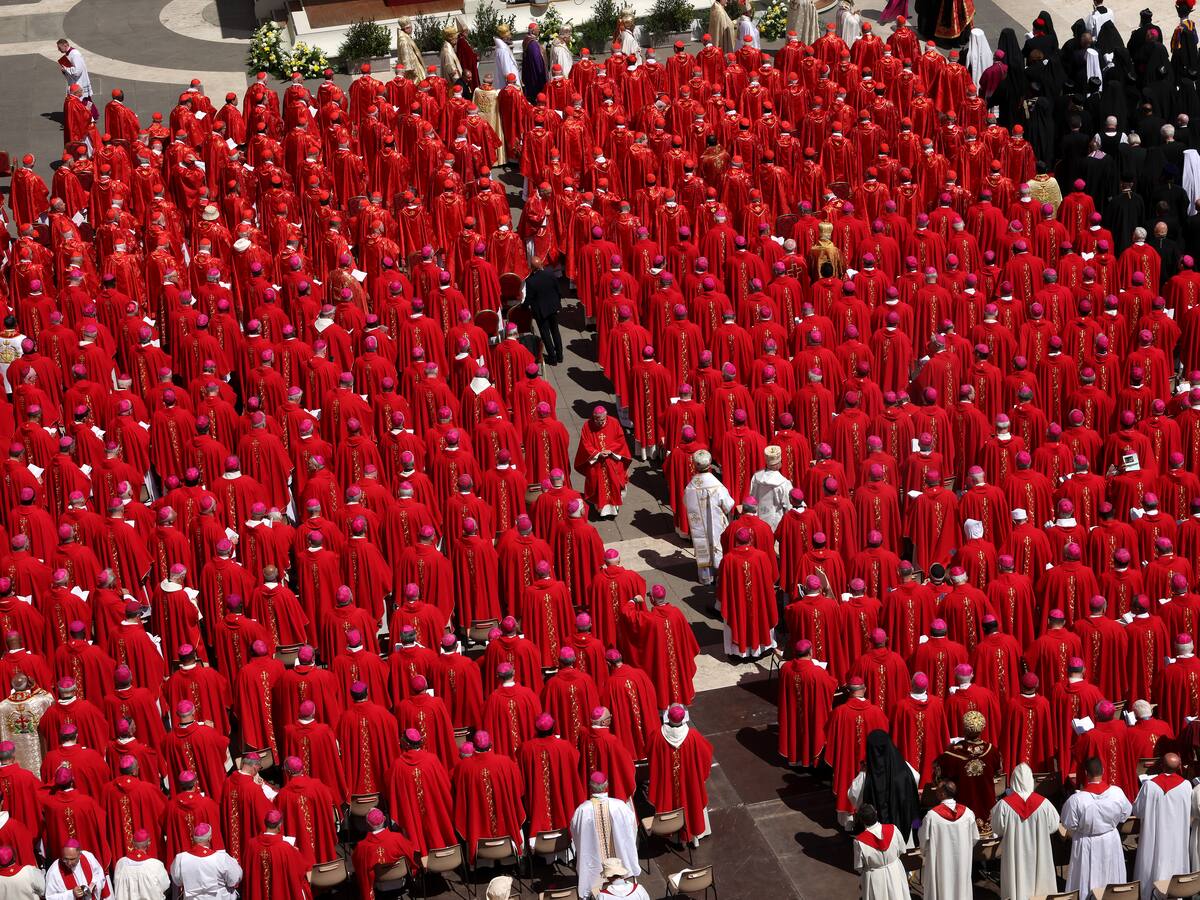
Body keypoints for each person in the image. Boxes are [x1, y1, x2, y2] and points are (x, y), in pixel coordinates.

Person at [1061, 757, 1133, 897]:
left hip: (1086, 842)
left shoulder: (1077, 800)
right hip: (1110, 840)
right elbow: (1126, 814)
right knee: (1111, 875)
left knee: (1086, 877)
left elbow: (1068, 823)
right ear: (1104, 771)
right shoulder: (1117, 793)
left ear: (1086, 773)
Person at [990, 763, 1060, 900]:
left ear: (1013, 780)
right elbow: (1053, 827)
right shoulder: (1044, 803)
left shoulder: (1004, 805)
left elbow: (997, 829)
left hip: (1014, 854)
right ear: (1030, 780)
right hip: (1040, 852)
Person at [571, 772, 641, 899]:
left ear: (590, 787)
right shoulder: (620, 805)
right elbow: (632, 826)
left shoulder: (582, 810)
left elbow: (575, 832)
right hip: (620, 859)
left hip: (594, 865)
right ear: (606, 785)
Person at [1131, 753, 1191, 900]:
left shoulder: (1149, 786)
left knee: (1152, 866)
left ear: (1161, 765)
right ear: (1178, 768)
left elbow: (1137, 811)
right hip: (1177, 839)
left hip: (1154, 839)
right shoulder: (1186, 786)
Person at [919, 780, 978, 900]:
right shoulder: (968, 813)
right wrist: (964, 848)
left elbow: (923, 839)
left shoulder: (931, 816)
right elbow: (975, 837)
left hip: (940, 862)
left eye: (938, 790)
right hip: (962, 861)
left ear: (942, 794)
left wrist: (925, 852)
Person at [683, 450, 735, 585]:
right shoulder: (717, 486)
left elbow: (685, 503)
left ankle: (706, 578)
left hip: (699, 525)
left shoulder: (690, 487)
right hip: (716, 523)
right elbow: (728, 505)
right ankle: (720, 575)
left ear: (694, 466)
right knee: (717, 545)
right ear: (710, 465)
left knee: (703, 546)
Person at [851, 803, 910, 900]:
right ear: (876, 813)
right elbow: (902, 849)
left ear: (861, 820)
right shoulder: (893, 828)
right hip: (895, 870)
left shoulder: (859, 841)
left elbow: (859, 867)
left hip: (875, 877)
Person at [111, 828, 170, 900]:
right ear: (149, 843)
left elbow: (116, 884)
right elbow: (165, 885)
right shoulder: (156, 864)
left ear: (132, 843)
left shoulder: (121, 863)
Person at [524, 257, 562, 365]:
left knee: (545, 334)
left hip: (541, 312)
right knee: (555, 331)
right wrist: (557, 304)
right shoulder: (550, 274)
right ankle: (559, 355)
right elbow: (558, 290)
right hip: (553, 308)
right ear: (541, 265)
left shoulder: (531, 281)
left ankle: (552, 358)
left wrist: (523, 307)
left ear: (532, 268)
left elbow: (529, 298)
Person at [748, 446, 792, 530]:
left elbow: (751, 497)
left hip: (758, 520)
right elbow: (789, 506)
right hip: (775, 523)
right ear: (778, 464)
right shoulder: (783, 483)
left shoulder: (756, 477)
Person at [56, 39, 92, 105]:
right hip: (74, 82)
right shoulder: (68, 54)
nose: (58, 49)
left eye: (59, 47)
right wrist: (65, 71)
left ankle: (88, 115)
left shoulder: (75, 54)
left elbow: (78, 71)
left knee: (83, 102)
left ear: (65, 45)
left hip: (79, 82)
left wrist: (66, 69)